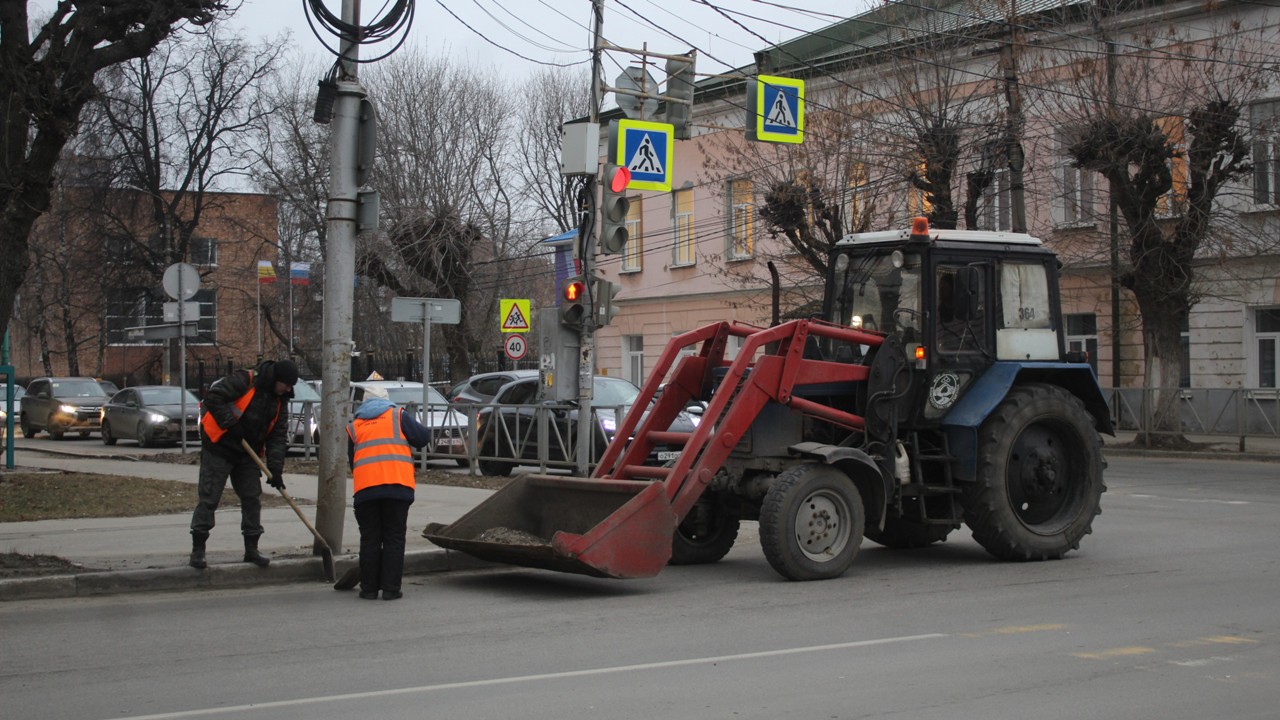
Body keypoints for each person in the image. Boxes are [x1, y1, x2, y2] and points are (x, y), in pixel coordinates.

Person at [188, 359, 298, 569]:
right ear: (277, 379)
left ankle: (252, 548)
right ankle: (198, 549)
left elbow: (277, 435)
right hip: (219, 446)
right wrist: (230, 424)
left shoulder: (280, 399)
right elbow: (213, 397)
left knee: (251, 498)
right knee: (209, 497)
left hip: (248, 454)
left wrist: (276, 469)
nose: (288, 389)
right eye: (286, 384)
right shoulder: (245, 380)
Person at [345, 384, 431, 600]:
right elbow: (422, 438)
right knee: (393, 537)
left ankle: (369, 589)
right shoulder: (397, 415)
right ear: (387, 400)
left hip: (365, 491)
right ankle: (391, 589)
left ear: (363, 403)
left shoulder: (354, 426)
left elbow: (352, 461)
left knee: (370, 539)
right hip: (397, 487)